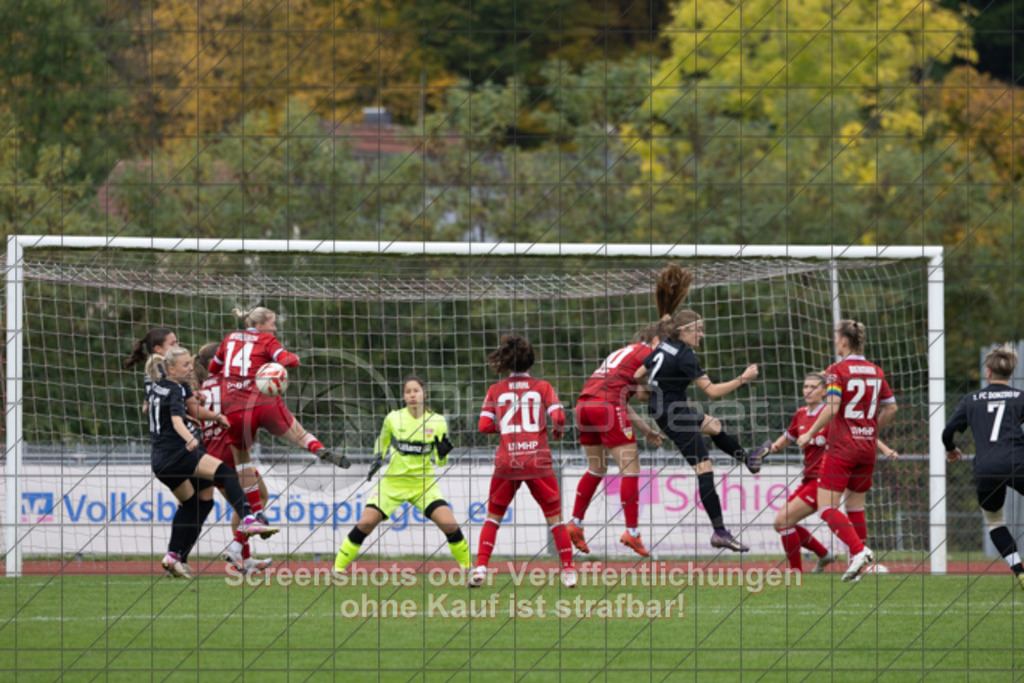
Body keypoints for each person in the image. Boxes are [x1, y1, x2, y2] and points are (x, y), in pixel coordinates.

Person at [634, 306, 770, 553]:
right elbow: (713, 392)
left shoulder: (664, 345)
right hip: (676, 417)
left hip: (667, 410)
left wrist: (649, 392)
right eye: (698, 330)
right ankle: (720, 532)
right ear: (684, 331)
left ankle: (748, 459)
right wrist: (743, 378)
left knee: (714, 425)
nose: (702, 334)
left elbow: (638, 373)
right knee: (704, 471)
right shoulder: (685, 355)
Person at [208, 306, 350, 532]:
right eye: (272, 324)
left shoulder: (230, 338)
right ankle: (318, 448)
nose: (274, 328)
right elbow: (287, 360)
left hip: (234, 407)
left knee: (243, 460)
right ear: (260, 325)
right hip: (263, 402)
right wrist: (295, 357)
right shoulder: (267, 339)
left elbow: (213, 367)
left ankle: (256, 514)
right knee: (299, 433)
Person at [146, 347, 274, 578]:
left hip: (160, 460)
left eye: (190, 363)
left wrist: (215, 416)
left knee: (197, 504)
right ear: (171, 368)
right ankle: (248, 518)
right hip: (179, 452)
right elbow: (176, 421)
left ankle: (174, 557)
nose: (190, 368)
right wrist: (190, 438)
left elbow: (189, 409)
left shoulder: (161, 385)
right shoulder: (176, 388)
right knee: (226, 474)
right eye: (185, 365)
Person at [469, 335, 577, 588]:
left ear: (506, 362)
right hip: (537, 460)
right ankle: (568, 570)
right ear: (531, 361)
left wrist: (507, 429)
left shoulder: (495, 390)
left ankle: (481, 568)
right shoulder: (542, 387)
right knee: (555, 519)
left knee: (493, 518)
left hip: (507, 461)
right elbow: (559, 417)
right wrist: (557, 430)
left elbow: (483, 426)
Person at [333, 376, 471, 574]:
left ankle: (468, 568)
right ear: (404, 396)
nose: (412, 395)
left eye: (416, 391)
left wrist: (442, 454)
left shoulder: (438, 421)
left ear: (424, 394)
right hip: (392, 484)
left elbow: (441, 462)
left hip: (423, 485)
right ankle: (338, 568)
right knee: (365, 523)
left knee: (449, 525)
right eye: (408, 392)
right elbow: (382, 441)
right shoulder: (393, 418)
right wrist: (377, 457)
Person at [797, 320, 897, 582]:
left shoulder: (837, 369)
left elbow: (831, 407)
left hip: (842, 448)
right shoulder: (876, 371)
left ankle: (859, 551)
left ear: (843, 341)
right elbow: (891, 407)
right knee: (855, 507)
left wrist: (809, 433)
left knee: (826, 508)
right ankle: (860, 565)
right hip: (867, 448)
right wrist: (871, 429)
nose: (834, 342)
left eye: (835, 338)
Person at [568, 322, 664, 557]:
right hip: (607, 407)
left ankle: (575, 522)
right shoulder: (651, 354)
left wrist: (646, 430)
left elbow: (620, 396)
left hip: (584, 405)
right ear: (656, 340)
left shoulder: (626, 351)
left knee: (596, 467)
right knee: (631, 469)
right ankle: (632, 532)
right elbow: (640, 395)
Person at [943, 344, 1024, 590]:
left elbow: (948, 431)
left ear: (988, 372)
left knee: (996, 522)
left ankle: (1019, 572)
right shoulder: (1020, 397)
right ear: (1010, 372)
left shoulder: (971, 400)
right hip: (1017, 462)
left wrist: (951, 449)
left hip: (986, 467)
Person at [195, 342, 272, 575]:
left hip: (211, 453)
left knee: (248, 503)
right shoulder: (229, 384)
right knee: (252, 501)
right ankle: (238, 549)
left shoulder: (201, 388)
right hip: (230, 452)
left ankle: (244, 556)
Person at [125, 327, 178, 414]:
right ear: (158, 349)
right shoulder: (163, 370)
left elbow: (145, 407)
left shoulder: (152, 369)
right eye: (172, 344)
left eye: (176, 342)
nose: (177, 347)